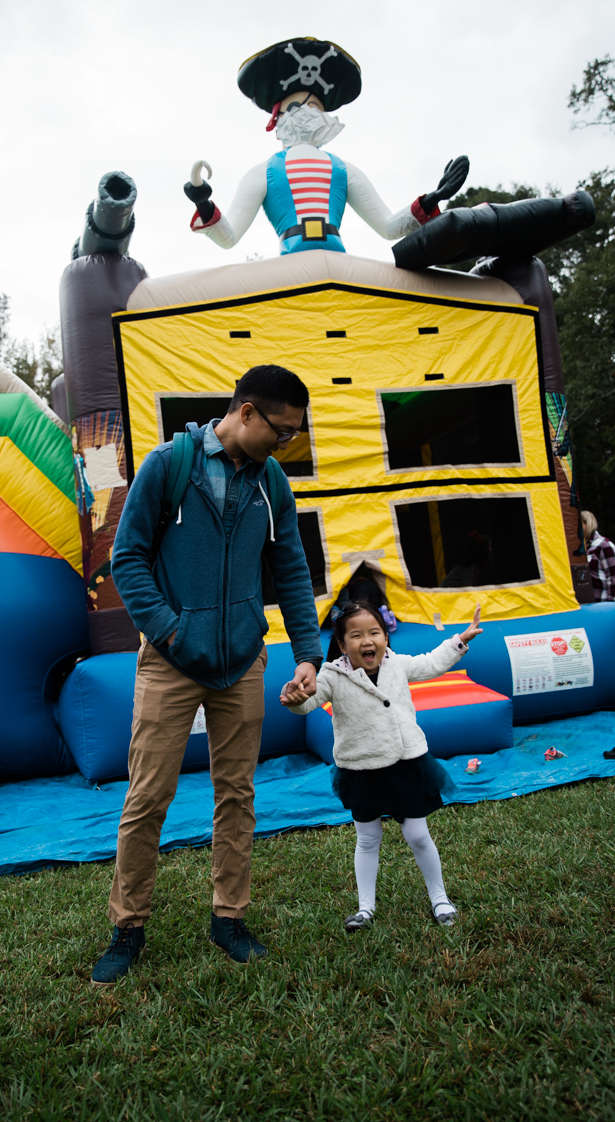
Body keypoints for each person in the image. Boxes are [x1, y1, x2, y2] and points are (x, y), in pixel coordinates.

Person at [90, 365, 324, 984]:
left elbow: (292, 569)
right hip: (169, 662)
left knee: (238, 794)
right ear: (246, 412)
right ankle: (128, 926)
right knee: (147, 797)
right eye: (282, 431)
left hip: (244, 661)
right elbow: (128, 559)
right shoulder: (168, 467)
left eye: (294, 436)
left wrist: (307, 653)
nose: (287, 444)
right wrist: (171, 630)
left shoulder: (272, 481)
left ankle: (230, 918)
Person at [281, 602, 483, 930]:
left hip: (406, 763)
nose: (368, 640)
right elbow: (312, 701)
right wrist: (297, 700)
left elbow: (431, 663)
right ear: (343, 645)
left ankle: (440, 898)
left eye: (375, 632)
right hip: (361, 770)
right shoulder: (333, 675)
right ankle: (365, 908)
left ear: (385, 638)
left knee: (418, 834)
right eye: (357, 635)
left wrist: (460, 640)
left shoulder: (396, 664)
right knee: (368, 837)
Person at [184, 36, 468, 257]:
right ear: (277, 117)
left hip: (338, 265)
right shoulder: (265, 172)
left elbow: (388, 226)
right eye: (295, 106)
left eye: (314, 106)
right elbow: (229, 237)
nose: (306, 112)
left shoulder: (342, 169)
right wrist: (203, 202)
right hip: (289, 268)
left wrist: (433, 198)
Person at [581, 510, 615, 602]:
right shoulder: (578, 550)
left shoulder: (604, 545)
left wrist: (613, 607)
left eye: (579, 524)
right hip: (585, 608)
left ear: (588, 524)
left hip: (603, 607)